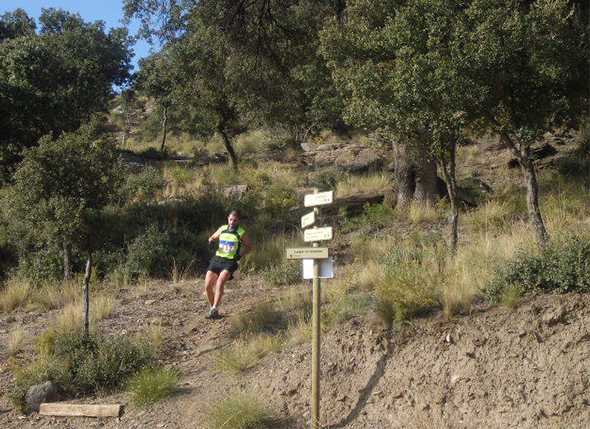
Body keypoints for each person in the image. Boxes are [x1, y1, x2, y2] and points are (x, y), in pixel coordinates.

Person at [203, 210, 254, 319]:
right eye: (230, 219)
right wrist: (211, 240)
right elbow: (212, 237)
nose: (232, 222)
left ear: (238, 221)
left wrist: (239, 256)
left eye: (235, 220)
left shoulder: (240, 232)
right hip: (217, 259)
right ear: (228, 219)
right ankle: (213, 309)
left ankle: (215, 308)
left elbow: (249, 246)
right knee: (207, 286)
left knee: (220, 282)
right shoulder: (222, 229)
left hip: (230, 261)